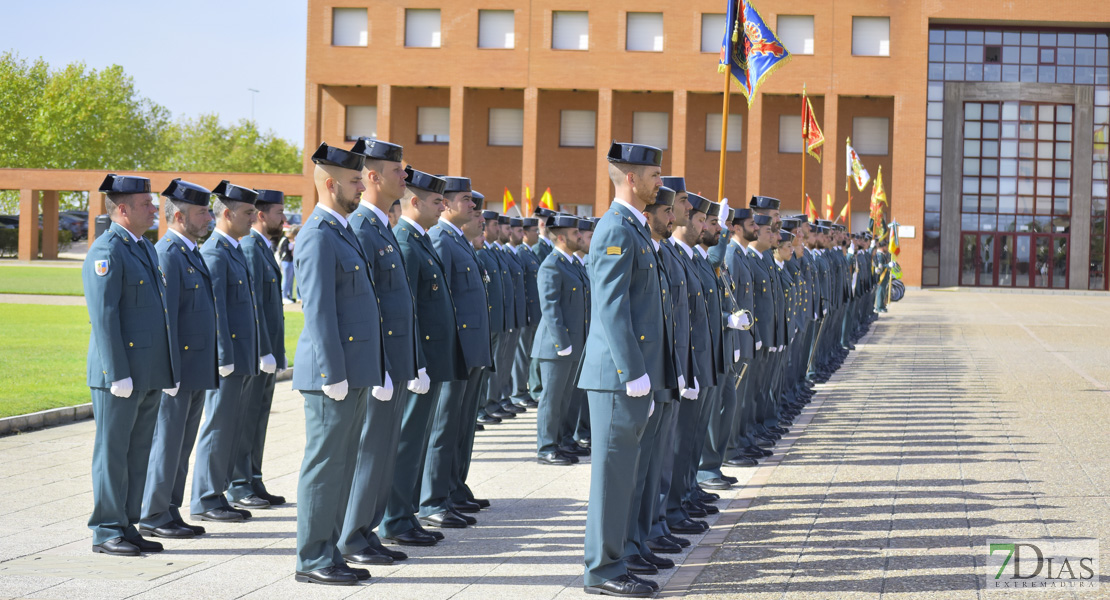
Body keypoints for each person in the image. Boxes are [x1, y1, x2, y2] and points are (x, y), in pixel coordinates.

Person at [292, 143, 391, 586]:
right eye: (354, 180)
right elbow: (319, 311)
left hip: (353, 371)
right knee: (325, 464)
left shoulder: (342, 230)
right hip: (332, 374)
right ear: (331, 184)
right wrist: (334, 372)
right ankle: (312, 558)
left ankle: (329, 550)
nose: (361, 185)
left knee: (343, 464)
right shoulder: (316, 234)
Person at [578, 142, 674, 598]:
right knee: (612, 475)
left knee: (625, 474)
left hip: (633, 374)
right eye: (655, 174)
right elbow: (613, 308)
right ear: (632, 179)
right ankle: (602, 569)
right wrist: (634, 372)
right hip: (619, 376)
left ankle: (616, 559)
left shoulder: (633, 229)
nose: (661, 181)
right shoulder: (615, 228)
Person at [341, 138, 428, 565]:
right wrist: (379, 366)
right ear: (373, 176)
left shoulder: (380, 227)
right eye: (397, 170)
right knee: (370, 451)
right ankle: (351, 535)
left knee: (384, 450)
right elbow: (366, 306)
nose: (405, 177)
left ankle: (366, 530)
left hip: (393, 363)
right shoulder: (361, 226)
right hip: (378, 366)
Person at [83, 174, 176, 556]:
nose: (155, 210)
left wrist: (164, 370)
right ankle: (106, 529)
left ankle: (127, 523)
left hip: (147, 372)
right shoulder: (107, 250)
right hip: (119, 375)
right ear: (122, 210)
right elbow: (104, 316)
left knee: (138, 452)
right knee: (113, 452)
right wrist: (116, 371)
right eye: (146, 204)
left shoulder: (144, 248)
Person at [382, 169, 459, 547]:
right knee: (408, 441)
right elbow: (406, 309)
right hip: (418, 362)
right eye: (436, 201)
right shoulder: (407, 242)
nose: (442, 206)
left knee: (417, 439)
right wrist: (416, 362)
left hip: (428, 359)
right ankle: (394, 517)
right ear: (414, 202)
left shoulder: (421, 240)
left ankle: (405, 513)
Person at [139, 178, 216, 541]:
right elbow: (166, 318)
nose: (209, 216)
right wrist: (168, 370)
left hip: (196, 367)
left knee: (181, 444)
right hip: (179, 368)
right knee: (167, 442)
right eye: (203, 211)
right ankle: (153, 512)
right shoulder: (168, 253)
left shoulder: (188, 251)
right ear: (180, 216)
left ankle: (170, 509)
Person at [190, 181, 264, 524]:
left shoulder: (234, 248)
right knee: (218, 425)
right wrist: (223, 357)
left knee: (230, 425)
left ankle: (217, 491)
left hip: (243, 355)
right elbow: (216, 309)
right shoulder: (216, 252)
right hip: (228, 360)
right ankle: (205, 497)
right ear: (229, 214)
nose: (254, 217)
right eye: (248, 212)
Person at [424, 176, 493, 529]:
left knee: (462, 424)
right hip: (453, 350)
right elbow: (439, 303)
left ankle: (452, 486)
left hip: (470, 349)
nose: (474, 208)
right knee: (444, 424)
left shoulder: (459, 241)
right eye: (467, 200)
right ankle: (432, 497)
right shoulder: (441, 239)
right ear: (447, 205)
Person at [228, 188, 288, 510]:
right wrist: (264, 348)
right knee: (247, 417)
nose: (285, 219)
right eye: (279, 212)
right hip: (256, 352)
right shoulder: (251, 247)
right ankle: (239, 484)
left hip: (268, 350)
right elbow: (252, 309)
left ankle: (253, 478)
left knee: (259, 416)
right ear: (262, 215)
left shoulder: (263, 247)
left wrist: (276, 349)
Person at [532, 214, 587, 465]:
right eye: (576, 233)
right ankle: (546, 447)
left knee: (568, 398)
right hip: (557, 346)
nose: (580, 236)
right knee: (552, 399)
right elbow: (550, 307)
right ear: (562, 237)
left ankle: (564, 440)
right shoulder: (551, 265)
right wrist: (561, 342)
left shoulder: (573, 264)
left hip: (575, 343)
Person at [277, 226, 297, 304]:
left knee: (290, 280)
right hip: (286, 261)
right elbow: (285, 250)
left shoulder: (288, 240)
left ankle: (289, 295)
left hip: (290, 261)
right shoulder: (285, 239)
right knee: (285, 279)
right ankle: (283, 296)